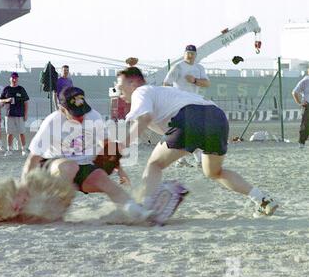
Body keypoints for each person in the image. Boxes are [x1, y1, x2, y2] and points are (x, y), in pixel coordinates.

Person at [116, 66, 278, 216]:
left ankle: (146, 208)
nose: (118, 90)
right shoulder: (164, 92)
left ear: (133, 83)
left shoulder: (141, 91)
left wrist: (121, 146)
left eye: (120, 85)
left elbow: (145, 118)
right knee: (214, 172)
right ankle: (262, 199)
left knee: (154, 164)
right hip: (217, 117)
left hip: (190, 117)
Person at [21, 86, 179, 224]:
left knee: (105, 181)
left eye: (82, 112)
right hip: (54, 169)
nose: (81, 117)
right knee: (70, 166)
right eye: (75, 114)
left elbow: (107, 145)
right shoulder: (51, 122)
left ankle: (139, 214)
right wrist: (22, 191)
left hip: (83, 166)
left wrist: (119, 169)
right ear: (62, 109)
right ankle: (53, 212)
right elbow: (33, 159)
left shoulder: (93, 116)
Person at [164, 44, 210, 168]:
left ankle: (194, 160)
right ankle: (184, 160)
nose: (190, 55)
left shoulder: (199, 68)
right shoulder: (178, 67)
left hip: (194, 103)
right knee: (182, 131)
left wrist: (194, 80)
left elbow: (206, 83)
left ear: (196, 55)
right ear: (184, 54)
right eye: (188, 53)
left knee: (194, 131)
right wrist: (170, 100)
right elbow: (166, 83)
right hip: (180, 104)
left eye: (192, 53)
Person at [0, 72, 29, 156]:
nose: (14, 79)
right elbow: (1, 100)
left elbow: (26, 102)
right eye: (13, 78)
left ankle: (23, 149)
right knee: (9, 133)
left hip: (20, 114)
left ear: (18, 79)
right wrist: (7, 100)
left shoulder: (21, 89)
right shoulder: (6, 89)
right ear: (10, 79)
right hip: (9, 114)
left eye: (16, 78)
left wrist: (26, 114)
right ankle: (9, 149)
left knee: (22, 132)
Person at [291, 68, 309, 149]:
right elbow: (295, 92)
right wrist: (299, 103)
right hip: (307, 105)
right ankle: (301, 143)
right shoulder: (305, 81)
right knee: (305, 125)